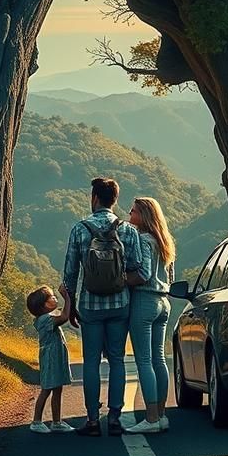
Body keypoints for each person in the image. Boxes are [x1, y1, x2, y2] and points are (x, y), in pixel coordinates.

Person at [63, 176, 151, 437]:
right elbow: (138, 268)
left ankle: (92, 420)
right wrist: (119, 279)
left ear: (94, 198)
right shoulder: (128, 230)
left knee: (91, 361)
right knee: (117, 360)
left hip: (90, 305)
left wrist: (70, 306)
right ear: (115, 200)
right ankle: (114, 418)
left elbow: (70, 272)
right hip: (120, 303)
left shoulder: (80, 229)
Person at [125, 197, 175, 434]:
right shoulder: (164, 242)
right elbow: (171, 278)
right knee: (159, 360)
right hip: (163, 302)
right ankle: (162, 415)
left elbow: (143, 274)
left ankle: (151, 417)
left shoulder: (143, 240)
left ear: (143, 215)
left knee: (144, 361)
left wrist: (120, 280)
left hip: (144, 300)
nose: (129, 213)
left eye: (133, 211)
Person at [27, 283, 75, 433]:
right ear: (44, 306)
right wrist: (67, 298)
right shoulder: (44, 320)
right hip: (50, 358)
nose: (55, 298)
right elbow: (64, 317)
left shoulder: (46, 317)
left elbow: (63, 314)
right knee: (46, 389)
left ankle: (56, 421)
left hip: (55, 357)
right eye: (52, 297)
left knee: (57, 389)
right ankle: (36, 421)